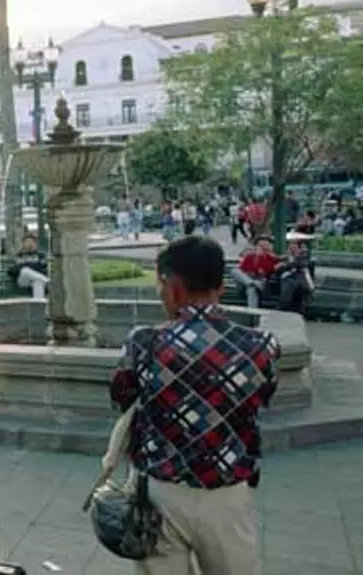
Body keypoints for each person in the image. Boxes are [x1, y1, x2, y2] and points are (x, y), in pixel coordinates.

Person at [110, 236, 280, 574]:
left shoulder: (144, 342)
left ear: (172, 287)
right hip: (227, 494)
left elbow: (121, 397)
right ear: (220, 285)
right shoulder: (261, 345)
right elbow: (263, 397)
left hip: (159, 495)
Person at [231, 236, 282, 308]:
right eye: (261, 246)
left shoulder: (272, 259)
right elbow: (242, 271)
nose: (263, 248)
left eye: (265, 246)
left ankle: (251, 312)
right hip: (247, 282)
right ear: (257, 247)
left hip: (260, 283)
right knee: (235, 271)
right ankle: (251, 283)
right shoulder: (250, 256)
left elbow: (264, 273)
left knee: (251, 289)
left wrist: (260, 258)